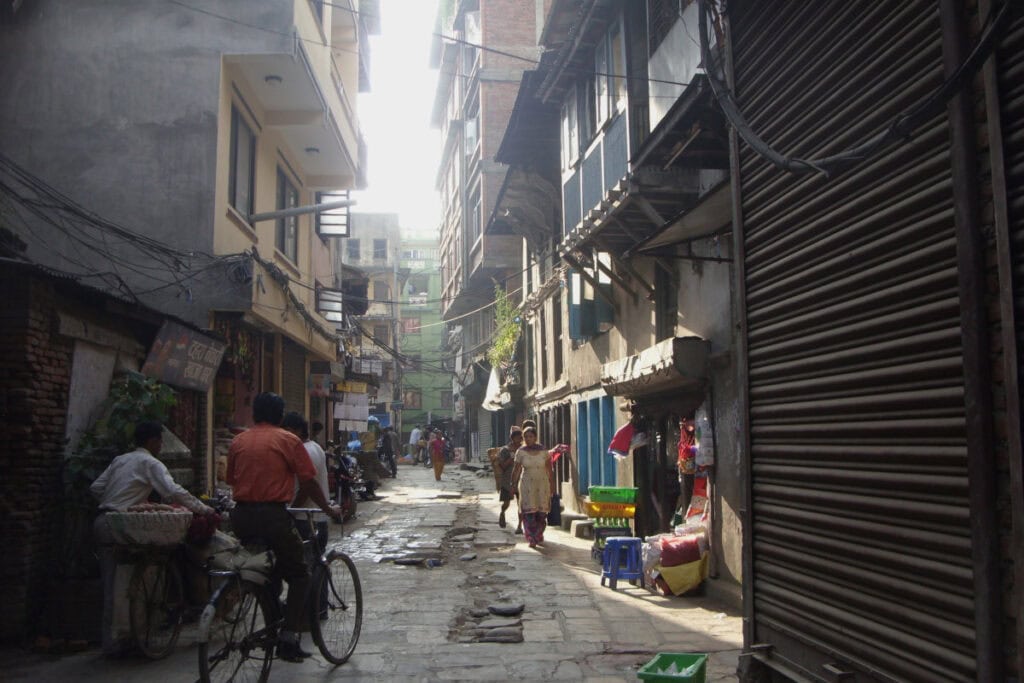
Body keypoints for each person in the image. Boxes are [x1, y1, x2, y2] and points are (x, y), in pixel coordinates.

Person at [226, 393, 341, 663]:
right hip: (273, 516)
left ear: (255, 414)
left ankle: (272, 616)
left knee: (268, 572)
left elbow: (231, 479)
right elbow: (309, 483)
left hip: (240, 516)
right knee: (301, 574)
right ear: (280, 416)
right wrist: (329, 509)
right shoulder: (288, 440)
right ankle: (288, 637)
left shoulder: (238, 440)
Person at [90, 420, 214, 656]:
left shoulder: (121, 460)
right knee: (127, 582)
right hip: (125, 527)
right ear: (152, 441)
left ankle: (113, 642)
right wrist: (203, 509)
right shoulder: (150, 462)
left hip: (103, 522)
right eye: (159, 440)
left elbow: (96, 488)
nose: (160, 445)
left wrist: (119, 502)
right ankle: (127, 637)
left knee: (111, 583)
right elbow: (173, 490)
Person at [282, 412, 329, 555]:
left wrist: (291, 512)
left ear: (296, 431)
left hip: (306, 519)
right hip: (313, 519)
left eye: (286, 431)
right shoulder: (315, 447)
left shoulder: (305, 451)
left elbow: (307, 487)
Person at [510, 425, 556, 548]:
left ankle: (538, 534)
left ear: (535, 437)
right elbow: (516, 470)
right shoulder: (521, 452)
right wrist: (513, 485)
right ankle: (531, 537)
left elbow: (549, 470)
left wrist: (553, 485)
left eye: (531, 436)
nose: (528, 439)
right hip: (527, 485)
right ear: (523, 438)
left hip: (542, 485)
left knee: (541, 513)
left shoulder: (543, 451)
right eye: (526, 437)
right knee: (529, 512)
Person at [495, 426, 523, 529]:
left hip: (521, 480)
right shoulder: (505, 450)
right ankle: (502, 512)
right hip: (507, 481)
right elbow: (501, 466)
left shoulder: (523, 449)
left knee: (522, 504)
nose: (519, 439)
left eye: (520, 437)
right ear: (512, 438)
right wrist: (511, 459)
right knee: (506, 503)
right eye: (517, 437)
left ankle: (520, 525)